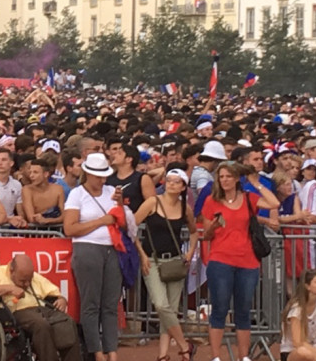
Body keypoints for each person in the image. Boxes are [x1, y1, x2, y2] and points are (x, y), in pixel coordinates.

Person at [199, 161, 279, 361]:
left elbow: (274, 204)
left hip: (248, 261)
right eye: (221, 176)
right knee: (220, 307)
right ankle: (216, 356)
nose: (224, 180)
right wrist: (215, 226)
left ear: (236, 179)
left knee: (243, 310)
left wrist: (256, 183)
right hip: (220, 259)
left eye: (228, 176)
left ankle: (244, 356)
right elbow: (206, 235)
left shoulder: (249, 198)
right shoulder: (211, 201)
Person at [63, 152, 124, 361]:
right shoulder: (76, 194)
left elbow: (122, 221)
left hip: (111, 248)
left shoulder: (111, 192)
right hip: (87, 249)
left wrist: (120, 206)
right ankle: (97, 353)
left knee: (110, 304)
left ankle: (111, 352)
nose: (102, 180)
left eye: (104, 175)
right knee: (91, 304)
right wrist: (101, 221)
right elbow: (69, 228)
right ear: (88, 174)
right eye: (99, 175)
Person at [133, 168, 197, 361]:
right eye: (168, 180)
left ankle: (162, 354)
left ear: (183, 186)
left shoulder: (185, 208)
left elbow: (194, 232)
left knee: (170, 308)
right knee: (161, 305)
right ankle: (185, 346)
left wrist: (190, 252)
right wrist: (142, 255)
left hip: (175, 260)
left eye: (176, 182)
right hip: (152, 259)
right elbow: (131, 227)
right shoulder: (153, 202)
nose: (171, 184)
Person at [0, 253, 80, 361]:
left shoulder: (32, 276)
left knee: (67, 322)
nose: (27, 284)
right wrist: (9, 288)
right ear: (12, 271)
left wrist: (62, 299)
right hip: (15, 312)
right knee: (40, 324)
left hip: (41, 309)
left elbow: (53, 292)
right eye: (22, 281)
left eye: (29, 280)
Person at [22, 157, 66, 225]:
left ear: (46, 174)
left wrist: (47, 220)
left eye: (35, 172)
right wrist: (40, 219)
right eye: (30, 172)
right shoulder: (27, 190)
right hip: (35, 232)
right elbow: (31, 218)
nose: (31, 176)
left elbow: (64, 216)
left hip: (56, 230)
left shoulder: (58, 189)